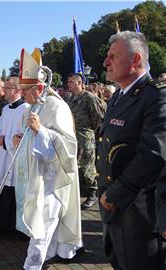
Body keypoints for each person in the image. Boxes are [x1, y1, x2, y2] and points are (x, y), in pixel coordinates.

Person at [97, 31, 166, 270]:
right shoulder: (117, 97)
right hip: (112, 207)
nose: (106, 62)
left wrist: (116, 193)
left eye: (113, 56)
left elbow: (153, 155)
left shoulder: (157, 96)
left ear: (135, 60)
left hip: (138, 212)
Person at [14, 48, 83, 270]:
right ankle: (51, 254)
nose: (23, 95)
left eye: (26, 90)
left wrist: (41, 131)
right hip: (35, 176)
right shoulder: (29, 108)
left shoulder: (57, 106)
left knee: (42, 225)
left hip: (52, 179)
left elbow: (68, 146)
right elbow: (28, 139)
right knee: (44, 223)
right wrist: (19, 139)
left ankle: (31, 265)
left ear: (40, 87)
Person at [0, 76, 29, 239]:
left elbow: (24, 137)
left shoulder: (26, 109)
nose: (4, 91)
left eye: (7, 88)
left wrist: (6, 141)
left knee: (13, 195)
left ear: (17, 90)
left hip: (16, 160)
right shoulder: (5, 109)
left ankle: (13, 230)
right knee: (1, 193)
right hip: (4, 156)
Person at [67, 73, 105, 209]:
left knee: (88, 166)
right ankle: (78, 193)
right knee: (75, 166)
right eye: (68, 82)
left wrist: (89, 130)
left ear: (79, 83)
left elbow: (98, 117)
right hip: (72, 136)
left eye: (71, 81)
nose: (68, 84)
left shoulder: (88, 97)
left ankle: (93, 194)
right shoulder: (70, 99)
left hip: (85, 137)